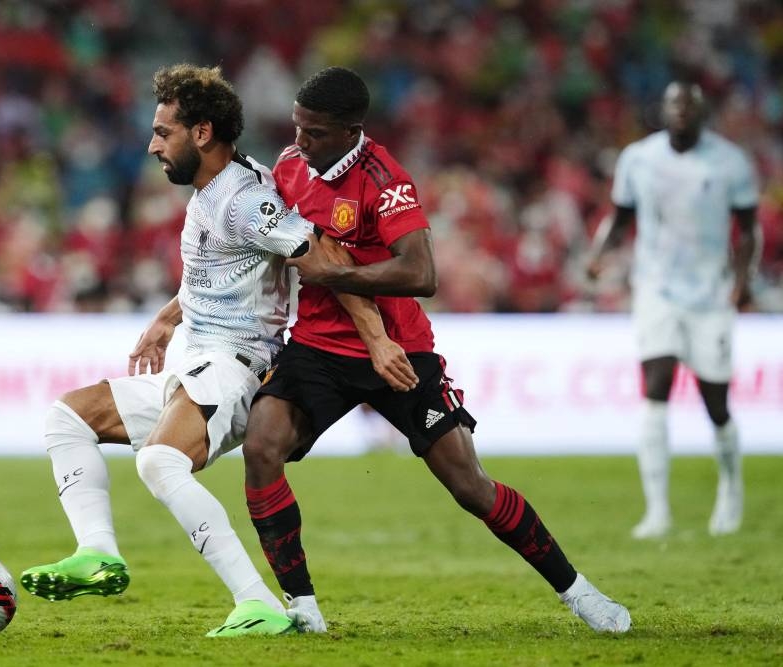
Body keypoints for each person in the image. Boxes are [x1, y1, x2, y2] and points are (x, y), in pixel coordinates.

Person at [20, 64, 417, 637]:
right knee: (67, 418)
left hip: (234, 366)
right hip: (192, 360)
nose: (153, 144)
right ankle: (98, 552)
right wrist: (164, 318)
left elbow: (324, 258)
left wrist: (377, 340)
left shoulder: (245, 201)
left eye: (164, 132)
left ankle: (256, 602)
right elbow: (213, 273)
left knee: (158, 461)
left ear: (202, 133)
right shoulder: (217, 187)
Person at [241, 66, 632, 634]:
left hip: (402, 351)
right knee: (261, 447)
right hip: (318, 347)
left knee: (470, 487)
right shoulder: (289, 167)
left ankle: (580, 593)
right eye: (298, 127)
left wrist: (338, 274)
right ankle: (302, 608)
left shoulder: (385, 179)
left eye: (315, 132)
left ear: (351, 130)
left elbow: (421, 273)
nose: (300, 141)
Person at [586, 81, 759, 539]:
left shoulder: (729, 162)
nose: (682, 111)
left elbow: (748, 230)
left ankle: (731, 486)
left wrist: (742, 282)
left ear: (702, 113)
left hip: (710, 296)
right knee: (656, 387)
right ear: (662, 111)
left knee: (715, 403)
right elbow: (621, 216)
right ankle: (657, 511)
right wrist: (601, 252)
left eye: (690, 105)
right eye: (675, 104)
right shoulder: (638, 159)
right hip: (656, 290)